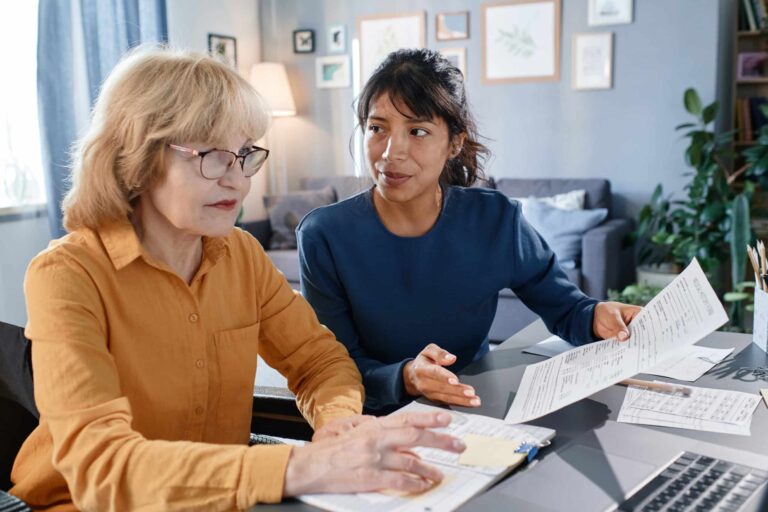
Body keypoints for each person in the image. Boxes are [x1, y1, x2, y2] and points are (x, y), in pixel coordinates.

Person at [9, 46, 465, 511]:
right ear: (138, 157)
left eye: (243, 154)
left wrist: (336, 425)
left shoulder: (241, 255)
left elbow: (320, 362)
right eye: (211, 155)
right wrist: (299, 466)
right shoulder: (67, 275)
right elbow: (101, 468)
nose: (239, 181)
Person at [297, 48, 642, 413]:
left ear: (455, 143)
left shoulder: (495, 220)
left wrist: (598, 316)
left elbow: (567, 309)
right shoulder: (324, 235)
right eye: (377, 128)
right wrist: (405, 377)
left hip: (475, 407)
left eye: (417, 131)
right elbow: (334, 366)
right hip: (376, 421)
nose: (390, 153)